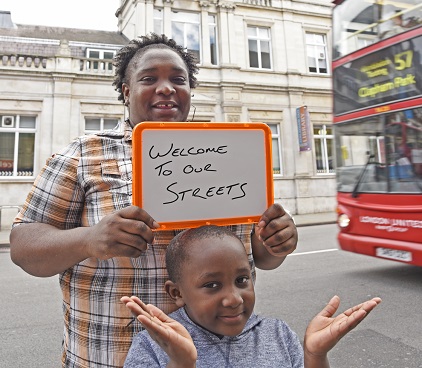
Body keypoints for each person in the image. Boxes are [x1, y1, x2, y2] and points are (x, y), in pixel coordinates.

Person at [9, 33, 298, 368]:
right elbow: (23, 247)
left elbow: (258, 258)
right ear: (126, 91)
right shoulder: (83, 154)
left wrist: (275, 243)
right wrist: (89, 239)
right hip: (110, 357)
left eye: (179, 80)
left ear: (190, 92)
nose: (166, 88)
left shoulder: (233, 150)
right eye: (149, 79)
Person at [122, 225, 382, 368]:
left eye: (241, 280)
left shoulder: (277, 334)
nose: (234, 298)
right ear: (177, 293)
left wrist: (314, 356)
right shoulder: (154, 346)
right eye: (212, 285)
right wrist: (181, 364)